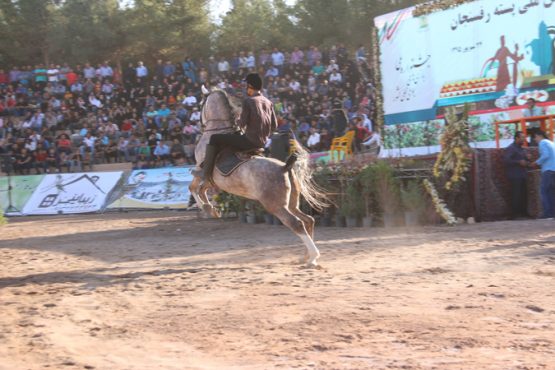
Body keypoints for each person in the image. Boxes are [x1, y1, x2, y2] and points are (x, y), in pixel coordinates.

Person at [199, 73, 277, 184]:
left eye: (247, 86)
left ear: (250, 86)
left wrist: (236, 119)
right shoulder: (268, 102)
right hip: (262, 142)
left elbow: (242, 123)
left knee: (215, 138)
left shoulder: (249, 101)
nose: (246, 88)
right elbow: (274, 125)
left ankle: (205, 173)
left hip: (249, 141)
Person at [503, 131, 530, 219]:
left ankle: (524, 213)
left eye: (524, 137)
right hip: (515, 175)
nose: (524, 139)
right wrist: (518, 162)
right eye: (522, 137)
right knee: (516, 195)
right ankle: (515, 215)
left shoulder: (522, 149)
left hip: (523, 175)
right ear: (516, 138)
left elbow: (524, 160)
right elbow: (506, 160)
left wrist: (527, 158)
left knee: (524, 195)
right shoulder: (511, 148)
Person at [533, 131, 555, 219]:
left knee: (544, 191)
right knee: (551, 192)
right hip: (553, 170)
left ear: (539, 136)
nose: (535, 140)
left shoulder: (543, 142)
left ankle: (548, 214)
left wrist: (536, 162)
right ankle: (552, 213)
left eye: (535, 137)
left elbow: (545, 155)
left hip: (548, 170)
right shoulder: (551, 143)